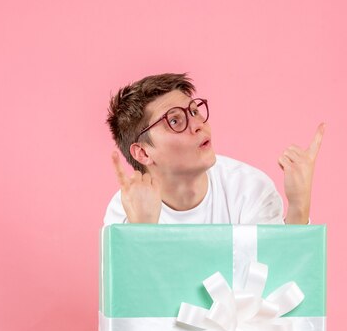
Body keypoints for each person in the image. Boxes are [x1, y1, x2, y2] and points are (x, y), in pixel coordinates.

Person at [104, 73, 323, 225]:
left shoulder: (249, 189)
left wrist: (298, 206)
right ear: (143, 153)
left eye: (194, 111)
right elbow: (129, 292)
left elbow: (279, 280)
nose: (199, 124)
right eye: (175, 121)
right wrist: (141, 232)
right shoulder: (125, 209)